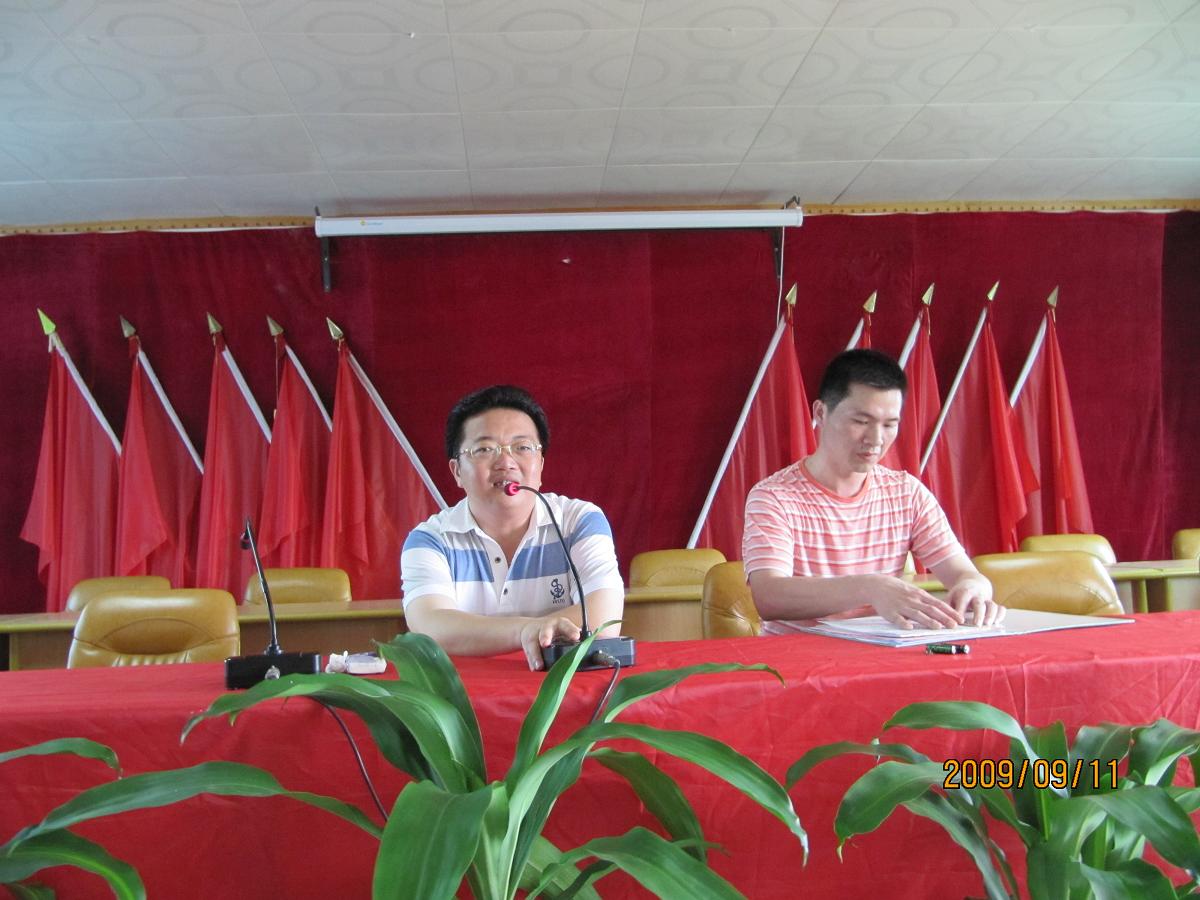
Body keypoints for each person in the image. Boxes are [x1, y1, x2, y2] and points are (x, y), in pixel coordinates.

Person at [743, 348, 1005, 633]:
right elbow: (769, 596)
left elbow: (965, 574)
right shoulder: (773, 497)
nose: (876, 439)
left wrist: (973, 588)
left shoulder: (906, 493)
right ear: (820, 412)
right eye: (861, 422)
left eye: (890, 424)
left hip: (884, 653)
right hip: (800, 658)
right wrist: (869, 587)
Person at [401, 385, 624, 669]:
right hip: (466, 693)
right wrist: (525, 632)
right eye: (485, 449)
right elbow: (431, 629)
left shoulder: (579, 521)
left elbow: (604, 620)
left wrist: (525, 632)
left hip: (561, 689)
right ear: (457, 471)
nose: (506, 462)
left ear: (540, 464)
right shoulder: (429, 539)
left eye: (522, 448)